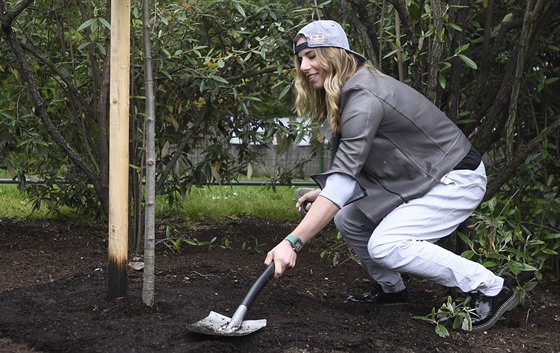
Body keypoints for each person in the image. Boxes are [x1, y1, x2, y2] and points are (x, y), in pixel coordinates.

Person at [264, 19, 519, 332]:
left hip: (455, 177)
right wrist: (327, 193)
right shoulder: (351, 89)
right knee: (349, 218)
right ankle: (392, 290)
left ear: (335, 55)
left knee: (386, 245)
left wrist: (293, 242)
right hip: (422, 177)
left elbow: (345, 179)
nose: (304, 66)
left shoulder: (363, 97)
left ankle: (491, 288)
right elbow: (353, 166)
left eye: (312, 56)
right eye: (300, 59)